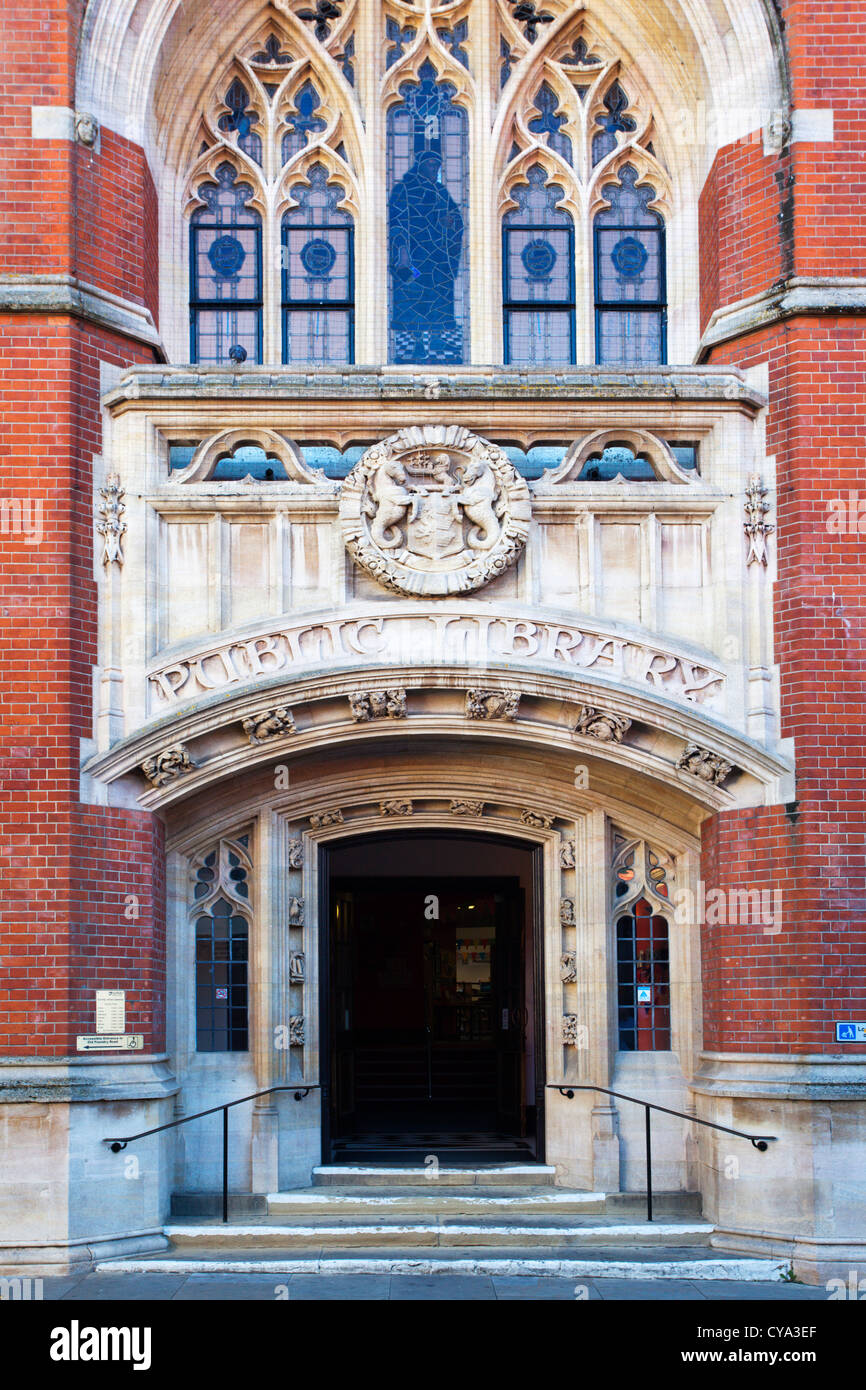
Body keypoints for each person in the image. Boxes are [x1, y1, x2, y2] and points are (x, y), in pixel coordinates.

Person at [388, 150, 464, 362]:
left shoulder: (440, 191)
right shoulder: (404, 190)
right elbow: (397, 222)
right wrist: (402, 251)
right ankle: (418, 342)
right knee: (415, 297)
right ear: (420, 166)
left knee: (439, 296)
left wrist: (450, 223)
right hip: (415, 255)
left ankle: (437, 337)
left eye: (437, 166)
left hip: (439, 255)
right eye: (431, 165)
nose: (434, 170)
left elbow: (455, 219)